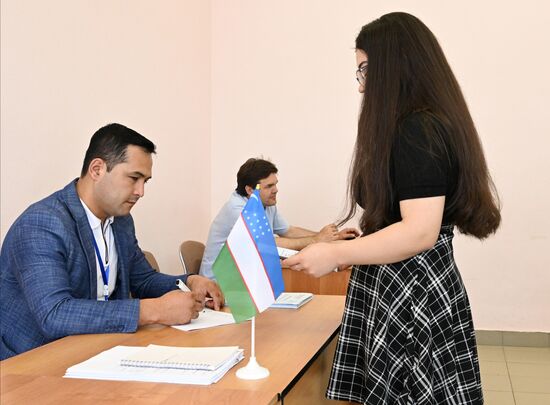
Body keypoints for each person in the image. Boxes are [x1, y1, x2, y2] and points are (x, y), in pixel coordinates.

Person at [283, 12, 501, 405]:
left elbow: (419, 231)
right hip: (405, 281)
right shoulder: (421, 125)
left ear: (394, 66)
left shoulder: (418, 129)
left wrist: (335, 252)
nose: (362, 86)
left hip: (411, 290)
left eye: (365, 71)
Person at [0, 123, 224, 360]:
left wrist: (189, 281)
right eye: (134, 178)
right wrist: (153, 311)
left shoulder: (121, 221)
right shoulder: (42, 224)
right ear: (97, 169)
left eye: (145, 181)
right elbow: (55, 314)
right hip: (32, 363)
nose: (140, 191)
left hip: (97, 352)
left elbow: (143, 279)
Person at [199, 158, 358, 280]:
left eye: (275, 184)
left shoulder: (265, 202)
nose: (276, 190)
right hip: (220, 285)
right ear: (249, 189)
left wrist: (331, 238)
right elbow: (269, 243)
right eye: (269, 186)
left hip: (246, 278)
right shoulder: (238, 210)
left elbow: (288, 231)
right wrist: (317, 239)